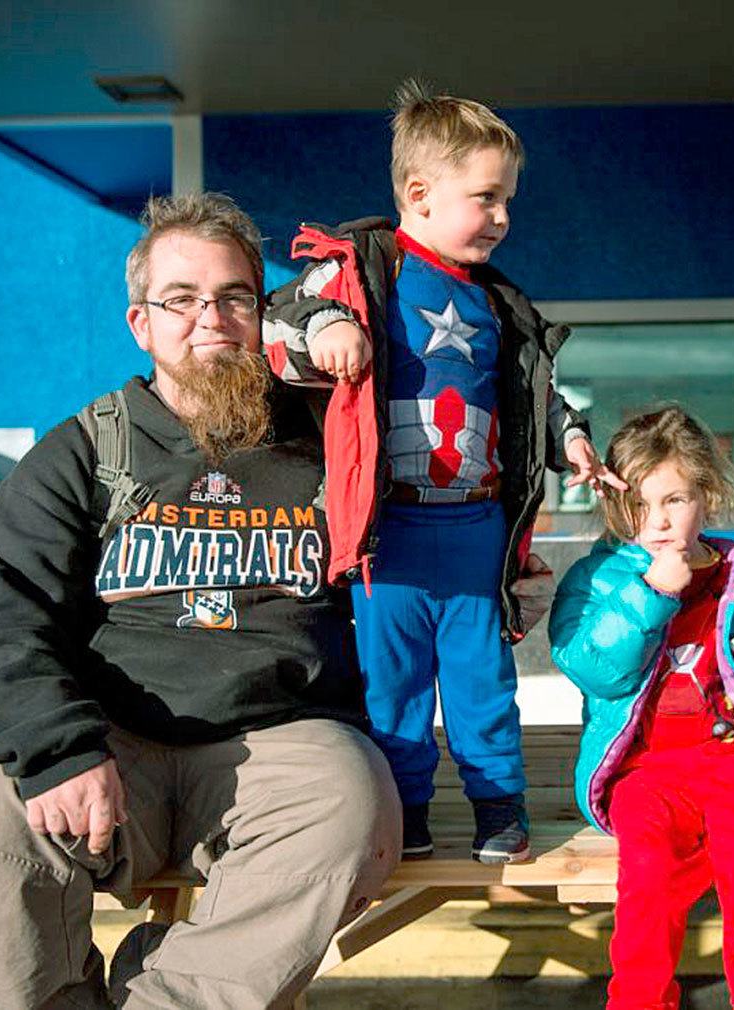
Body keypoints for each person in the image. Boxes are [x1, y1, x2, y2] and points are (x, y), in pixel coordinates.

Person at [0, 193, 401, 1010]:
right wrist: (62, 749)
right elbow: (4, 616)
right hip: (108, 741)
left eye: (233, 297)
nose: (209, 319)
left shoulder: (328, 438)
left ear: (265, 312)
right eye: (181, 299)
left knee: (350, 803)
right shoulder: (85, 447)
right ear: (141, 324)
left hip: (274, 746)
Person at [263, 81, 621, 865]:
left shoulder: (499, 303)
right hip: (387, 529)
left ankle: (499, 808)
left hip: (474, 526)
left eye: (507, 201)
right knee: (391, 686)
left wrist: (572, 438)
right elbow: (278, 318)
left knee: (481, 680)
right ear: (420, 194)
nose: (502, 218)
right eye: (487, 198)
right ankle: (405, 811)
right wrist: (326, 326)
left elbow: (533, 393)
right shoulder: (360, 268)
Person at [549, 406, 734, 1010]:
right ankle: (639, 1001)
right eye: (640, 506)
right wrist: (651, 591)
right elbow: (593, 667)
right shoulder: (597, 577)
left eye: (675, 500)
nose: (658, 522)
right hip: (645, 768)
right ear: (615, 504)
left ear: (706, 495)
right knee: (649, 878)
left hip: (733, 757)